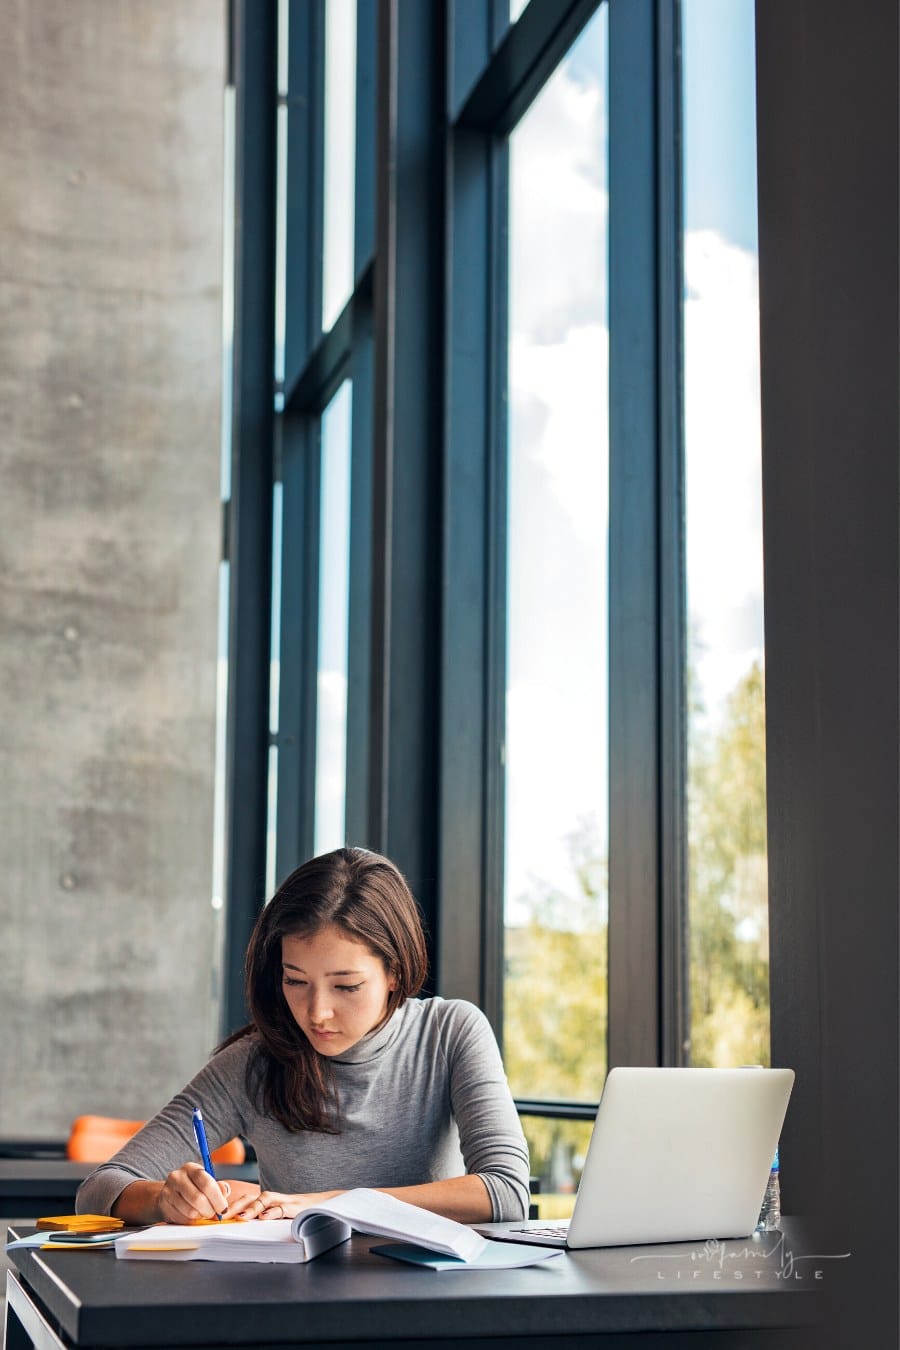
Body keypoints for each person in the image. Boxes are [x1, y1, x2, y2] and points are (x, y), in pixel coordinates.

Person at [76, 847, 530, 1226]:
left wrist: (326, 1202)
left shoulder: (450, 1033)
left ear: (394, 972)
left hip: (428, 1300)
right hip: (295, 1302)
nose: (317, 1013)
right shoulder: (255, 1062)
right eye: (295, 981)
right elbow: (101, 1187)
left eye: (346, 986)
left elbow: (506, 1191)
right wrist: (162, 1199)